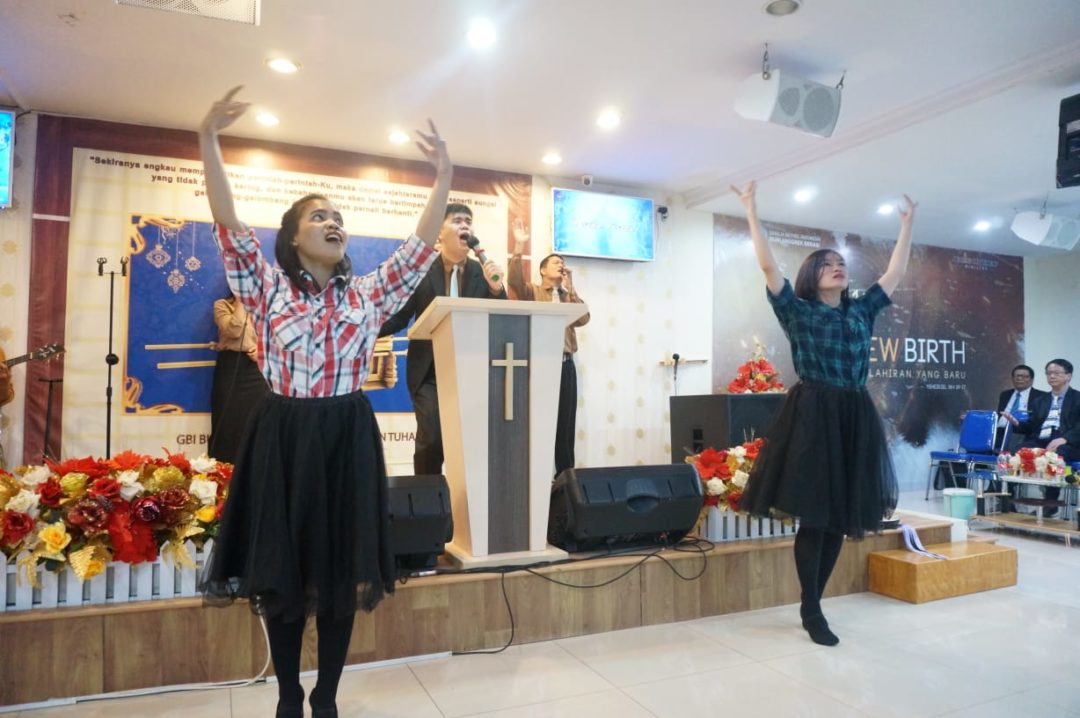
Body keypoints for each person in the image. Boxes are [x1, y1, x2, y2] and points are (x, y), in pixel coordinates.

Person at [197, 86, 451, 718]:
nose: (333, 222)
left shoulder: (367, 294)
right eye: (318, 216)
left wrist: (444, 175)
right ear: (291, 239)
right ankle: (289, 696)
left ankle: (327, 698)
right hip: (282, 434)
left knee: (343, 570)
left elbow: (419, 249)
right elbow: (229, 225)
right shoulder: (265, 288)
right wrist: (208, 139)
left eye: (338, 216)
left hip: (346, 433)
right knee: (280, 569)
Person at [734, 180, 915, 647]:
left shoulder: (861, 311)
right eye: (827, 264)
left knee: (840, 516)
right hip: (814, 413)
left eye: (841, 263)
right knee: (815, 516)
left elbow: (895, 272)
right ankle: (811, 607)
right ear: (812, 276)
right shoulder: (796, 311)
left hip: (854, 413)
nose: (837, 268)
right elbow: (768, 265)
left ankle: (815, 600)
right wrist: (751, 209)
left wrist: (907, 225)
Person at [378, 203, 506, 475]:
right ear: (439, 232)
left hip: (472, 370)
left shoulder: (482, 272)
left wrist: (497, 290)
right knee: (432, 438)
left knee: (470, 443)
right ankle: (426, 495)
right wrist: (364, 331)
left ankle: (466, 497)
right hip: (429, 371)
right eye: (457, 221)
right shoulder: (422, 271)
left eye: (468, 221)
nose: (465, 226)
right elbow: (400, 317)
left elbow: (502, 319)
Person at [507, 224, 590, 475]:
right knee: (540, 422)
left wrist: (571, 286)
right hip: (540, 365)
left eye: (562, 263)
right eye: (555, 262)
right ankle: (537, 477)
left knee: (565, 425)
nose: (560, 265)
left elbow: (583, 318)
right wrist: (519, 245)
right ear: (543, 270)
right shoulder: (532, 291)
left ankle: (566, 480)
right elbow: (513, 280)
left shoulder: (567, 295)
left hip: (565, 365)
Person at [1004, 358, 1080, 517]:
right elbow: (1032, 427)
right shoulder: (1040, 400)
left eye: (1056, 373)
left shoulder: (1077, 398)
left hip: (1068, 442)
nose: (1052, 376)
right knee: (1016, 451)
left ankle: (1050, 503)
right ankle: (1008, 498)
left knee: (1056, 455)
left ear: (1068, 376)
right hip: (1042, 439)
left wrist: (1064, 439)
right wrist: (1016, 423)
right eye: (1049, 373)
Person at [207, 292, 269, 464]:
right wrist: (242, 301)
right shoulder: (222, 305)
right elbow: (234, 331)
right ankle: (224, 469)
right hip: (231, 365)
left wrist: (263, 351)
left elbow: (277, 339)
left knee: (256, 419)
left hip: (256, 369)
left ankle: (254, 467)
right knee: (228, 419)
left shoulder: (266, 307)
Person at [996, 364, 1045, 451]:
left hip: (1022, 433)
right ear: (1012, 378)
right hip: (1000, 431)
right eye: (1017, 376)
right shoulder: (1005, 395)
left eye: (1025, 377)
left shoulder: (1041, 396)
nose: (1020, 379)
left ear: (1031, 380)